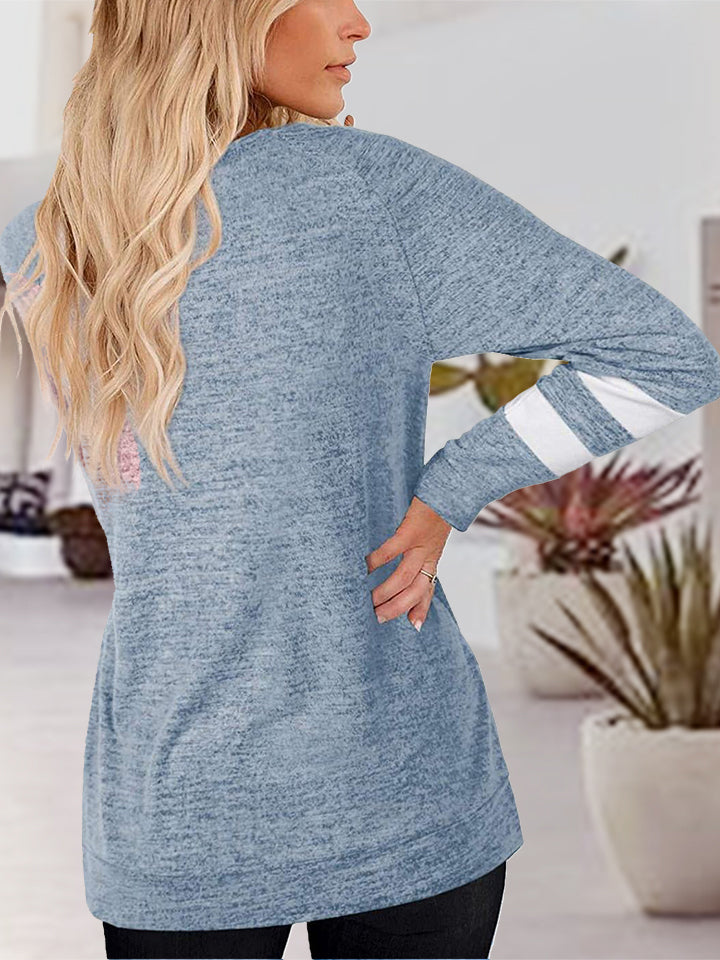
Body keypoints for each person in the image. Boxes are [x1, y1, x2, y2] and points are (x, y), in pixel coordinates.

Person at [2, 1, 720, 958]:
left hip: (180, 801)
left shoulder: (46, 239)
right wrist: (448, 491)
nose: (359, 22)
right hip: (398, 783)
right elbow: (667, 355)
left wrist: (451, 485)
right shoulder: (369, 191)